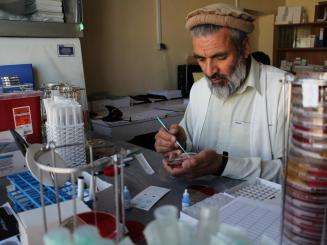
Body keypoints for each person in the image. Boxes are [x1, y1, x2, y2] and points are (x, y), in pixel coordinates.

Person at [154, 3, 289, 183]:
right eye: (201, 59)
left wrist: (223, 165)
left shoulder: (285, 90)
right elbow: (187, 142)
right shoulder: (199, 89)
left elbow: (300, 175)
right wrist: (178, 142)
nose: (209, 72)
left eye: (220, 57)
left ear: (245, 48)